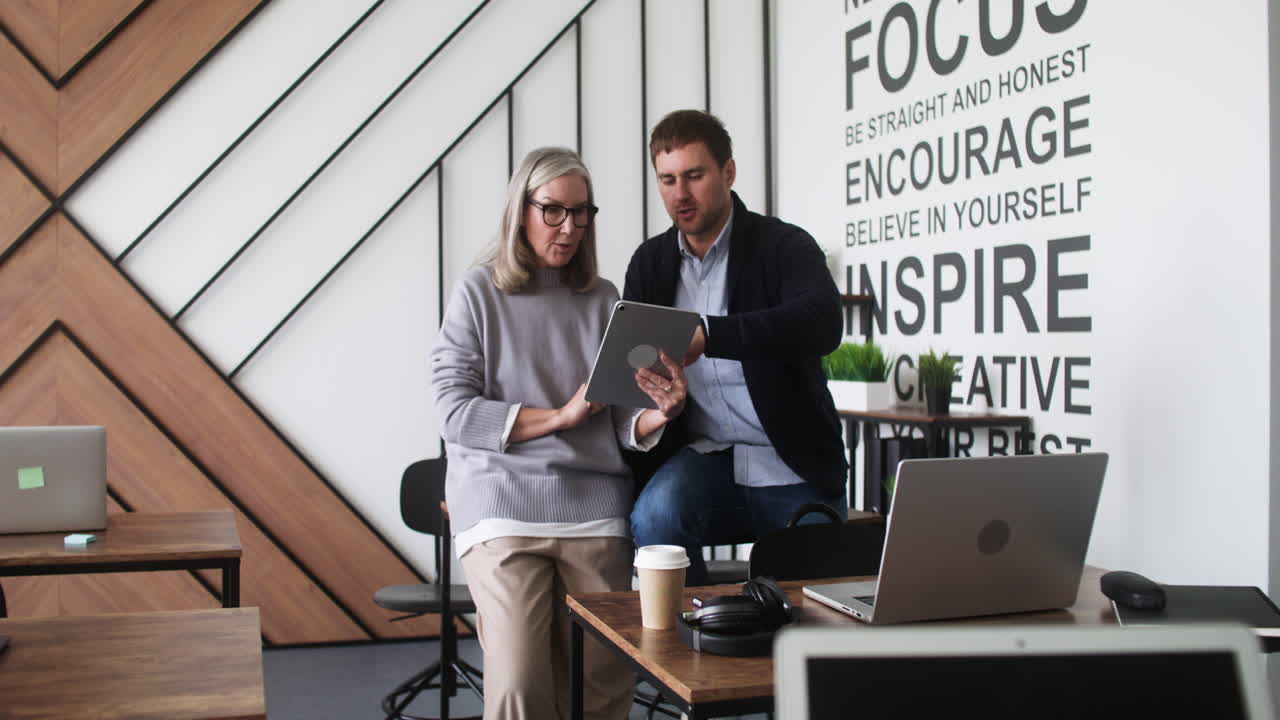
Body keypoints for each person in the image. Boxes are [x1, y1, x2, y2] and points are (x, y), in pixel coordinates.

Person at [431, 147, 685, 720]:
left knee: (604, 679)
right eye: (553, 211)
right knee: (522, 683)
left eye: (581, 213)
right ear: (521, 210)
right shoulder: (478, 292)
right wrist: (560, 417)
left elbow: (621, 418)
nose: (569, 227)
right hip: (502, 507)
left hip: (592, 509)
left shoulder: (601, 299)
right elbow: (453, 410)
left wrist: (659, 412)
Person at [624, 109, 848, 587]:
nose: (679, 194)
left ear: (728, 172)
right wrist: (660, 403)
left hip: (793, 461)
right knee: (654, 518)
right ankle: (698, 638)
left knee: (817, 603)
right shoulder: (650, 264)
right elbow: (634, 372)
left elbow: (824, 322)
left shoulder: (783, 245)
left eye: (694, 175)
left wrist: (710, 334)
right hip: (707, 459)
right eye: (667, 180)